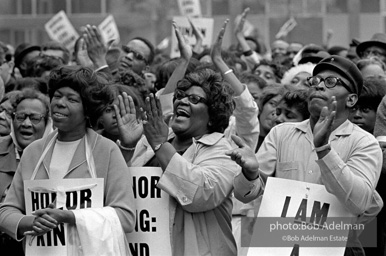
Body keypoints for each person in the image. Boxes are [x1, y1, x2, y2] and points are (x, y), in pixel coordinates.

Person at [229, 55, 383, 255]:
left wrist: (324, 150)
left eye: (330, 82)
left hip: (337, 249)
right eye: (315, 80)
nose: (318, 86)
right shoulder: (281, 133)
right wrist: (250, 174)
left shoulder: (364, 142)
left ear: (352, 99)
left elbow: (359, 201)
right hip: (280, 246)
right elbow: (243, 195)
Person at [0, 66, 135, 254]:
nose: (60, 103)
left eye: (72, 99)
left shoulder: (107, 150)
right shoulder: (33, 151)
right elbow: (6, 212)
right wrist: (31, 222)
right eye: (57, 96)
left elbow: (126, 217)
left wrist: (69, 216)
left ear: (88, 110)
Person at [0, 88, 52, 255]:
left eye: (35, 118)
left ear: (47, 123)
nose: (26, 124)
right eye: (20, 117)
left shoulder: (60, 155)